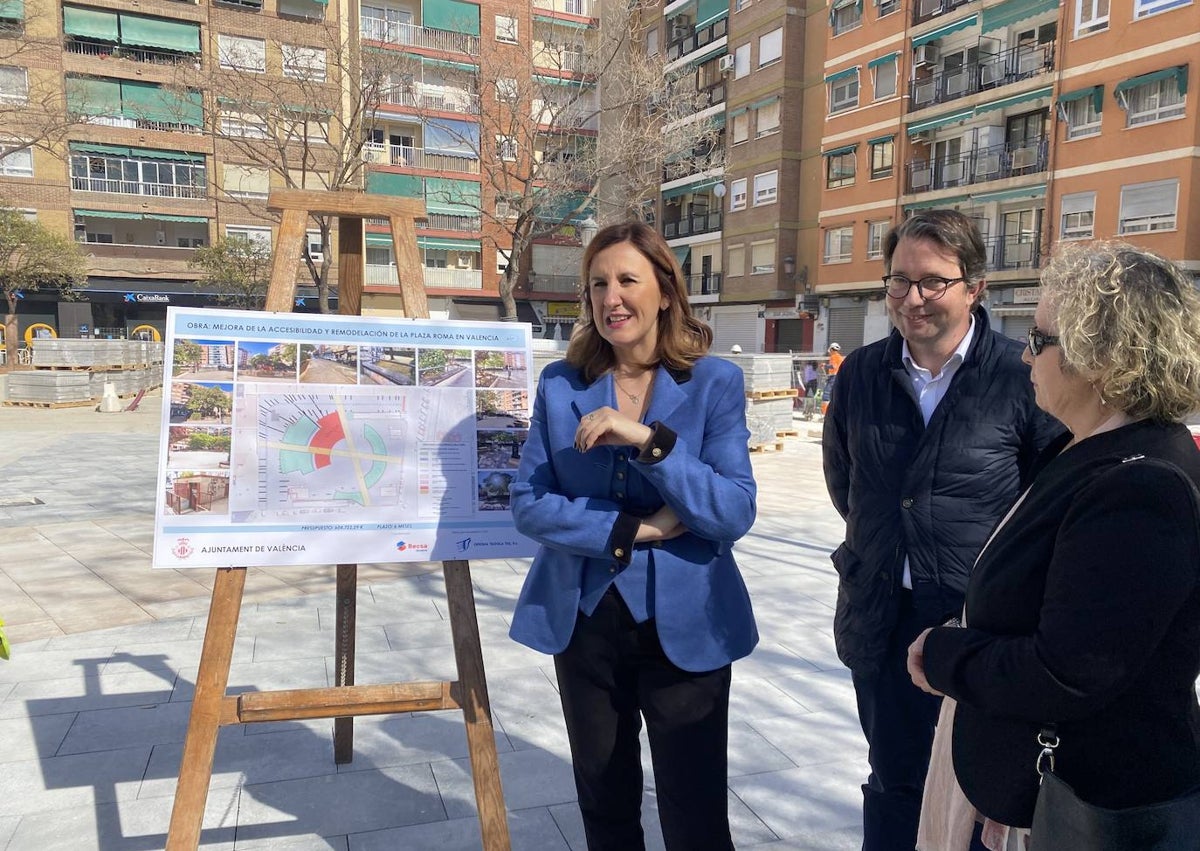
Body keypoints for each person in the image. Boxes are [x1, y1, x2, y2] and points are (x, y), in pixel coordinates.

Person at [908, 242, 1200, 850]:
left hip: (1089, 807)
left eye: (1040, 340)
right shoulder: (1086, 448)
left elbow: (1069, 671)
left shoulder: (1140, 486)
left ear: (1101, 358)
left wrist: (944, 657)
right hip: (1034, 789)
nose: (1025, 355)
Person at [509, 221, 758, 850]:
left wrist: (647, 440)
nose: (610, 298)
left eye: (626, 280)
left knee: (695, 812)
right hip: (586, 621)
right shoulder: (560, 385)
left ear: (666, 291)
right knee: (605, 804)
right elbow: (530, 504)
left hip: (688, 623)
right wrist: (634, 529)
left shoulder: (714, 383)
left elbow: (731, 510)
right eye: (597, 284)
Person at [822, 210, 1063, 851]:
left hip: (979, 628)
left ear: (974, 287)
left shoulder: (1022, 378)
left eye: (933, 282)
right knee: (893, 781)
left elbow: (1048, 506)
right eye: (899, 281)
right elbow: (846, 486)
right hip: (882, 613)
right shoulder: (861, 374)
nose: (913, 299)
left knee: (979, 793)